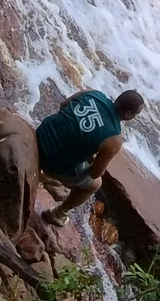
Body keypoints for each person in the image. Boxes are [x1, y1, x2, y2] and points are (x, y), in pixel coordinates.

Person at [35, 88, 145, 226]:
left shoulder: (93, 93)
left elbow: (63, 105)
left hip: (41, 134)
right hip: (53, 162)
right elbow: (94, 173)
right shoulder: (114, 139)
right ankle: (58, 213)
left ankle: (42, 173)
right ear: (128, 114)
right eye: (136, 114)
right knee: (95, 184)